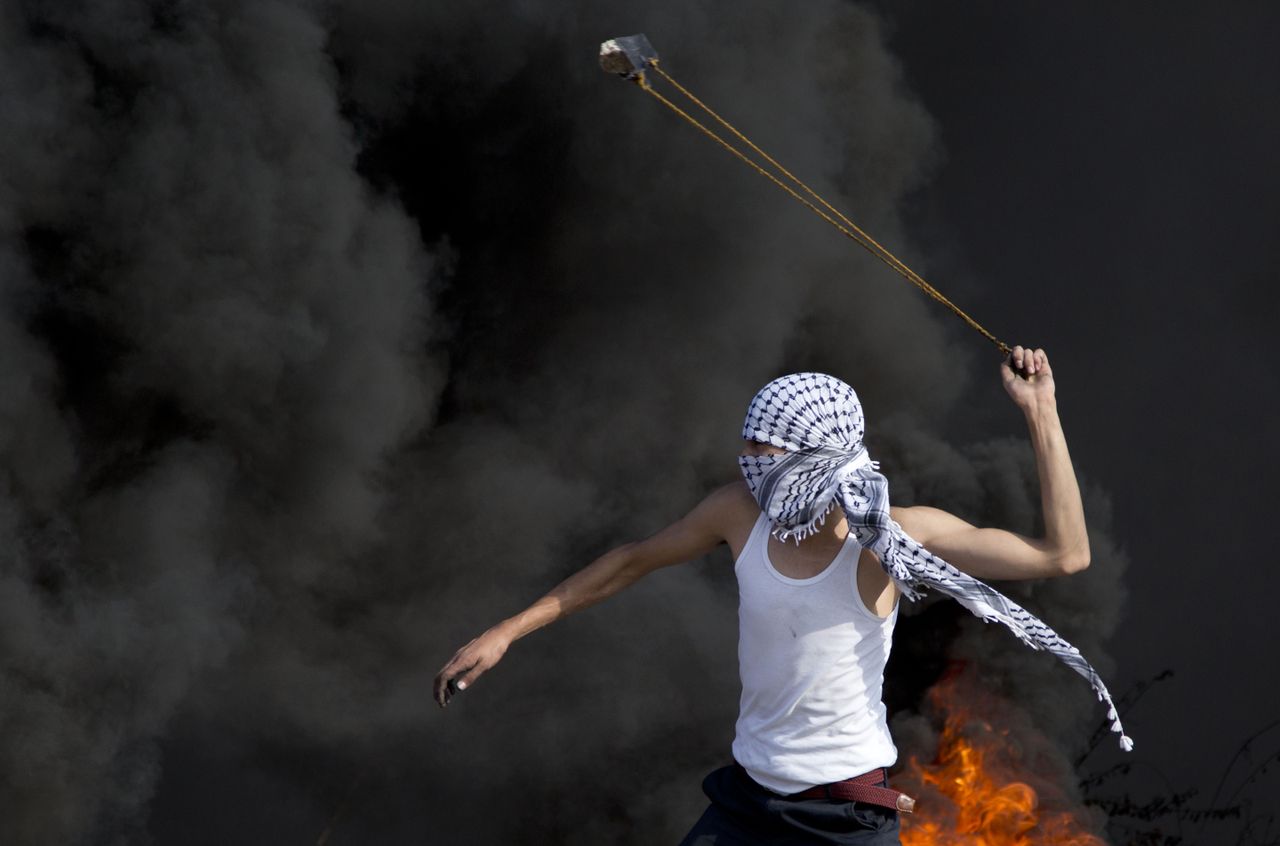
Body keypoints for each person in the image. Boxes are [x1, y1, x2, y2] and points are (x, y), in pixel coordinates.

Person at [434, 345, 1120, 845]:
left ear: (814, 460)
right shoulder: (738, 512)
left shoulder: (890, 537)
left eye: (765, 449)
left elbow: (1065, 554)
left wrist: (1041, 410)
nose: (748, 460)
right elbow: (629, 563)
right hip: (747, 806)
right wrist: (507, 632)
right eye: (748, 444)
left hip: (847, 821)